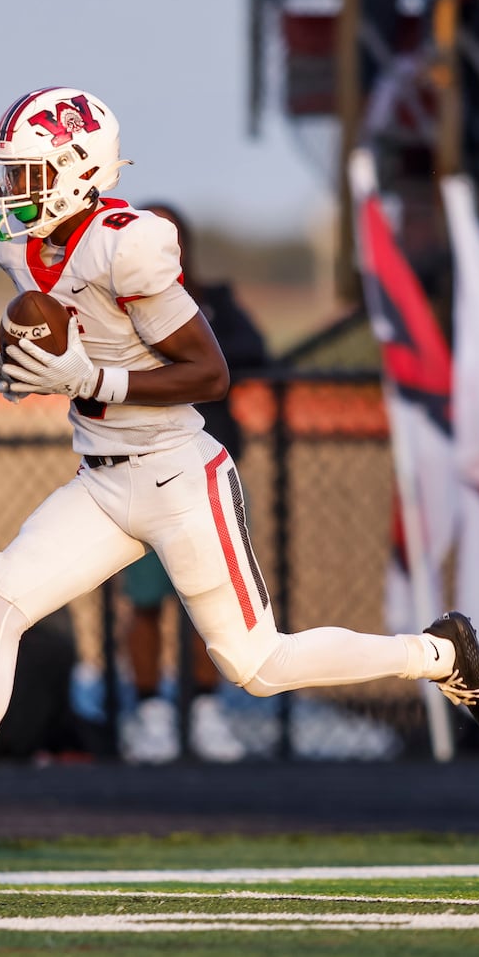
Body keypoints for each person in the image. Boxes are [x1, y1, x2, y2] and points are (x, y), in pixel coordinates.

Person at [0, 88, 479, 862]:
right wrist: (28, 374)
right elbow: (68, 352)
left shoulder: (126, 243)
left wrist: (88, 380)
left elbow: (208, 372)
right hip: (100, 479)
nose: (8, 193)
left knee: (258, 667)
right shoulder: (21, 250)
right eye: (7, 175)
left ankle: (437, 653)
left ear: (76, 169)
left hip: (175, 474)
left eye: (26, 175)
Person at [115, 202, 269, 766]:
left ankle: (206, 708)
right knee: (146, 600)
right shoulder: (115, 299)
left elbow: (243, 357)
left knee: (218, 603)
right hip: (139, 471)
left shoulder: (210, 303)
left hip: (203, 469)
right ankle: (151, 711)